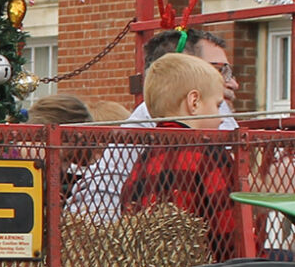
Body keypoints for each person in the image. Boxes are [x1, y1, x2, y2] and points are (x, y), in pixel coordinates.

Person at [69, 27, 240, 218]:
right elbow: (229, 213)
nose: (232, 83)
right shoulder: (164, 119)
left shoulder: (210, 114)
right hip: (106, 223)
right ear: (182, 66)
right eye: (219, 70)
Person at [120, 53, 238, 260]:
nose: (221, 119)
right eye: (218, 106)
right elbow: (230, 233)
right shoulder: (211, 154)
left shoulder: (142, 161)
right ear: (194, 102)